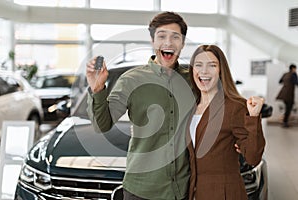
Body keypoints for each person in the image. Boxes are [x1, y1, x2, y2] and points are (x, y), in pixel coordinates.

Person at [86, 12, 196, 199]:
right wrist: (97, 89)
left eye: (175, 37)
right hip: (141, 190)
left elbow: (217, 107)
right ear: (153, 41)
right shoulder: (131, 80)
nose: (168, 43)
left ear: (183, 43)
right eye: (162, 36)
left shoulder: (193, 78)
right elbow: (101, 125)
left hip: (183, 188)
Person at [187, 45, 266, 200]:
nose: (204, 71)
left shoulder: (234, 107)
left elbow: (252, 157)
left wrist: (254, 117)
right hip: (195, 192)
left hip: (223, 193)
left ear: (221, 70)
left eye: (212, 65)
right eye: (198, 65)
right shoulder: (190, 107)